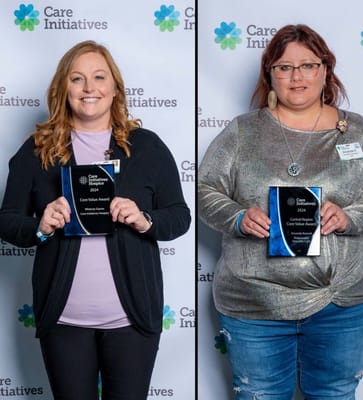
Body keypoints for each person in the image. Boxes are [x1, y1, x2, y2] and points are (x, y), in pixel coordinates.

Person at [197, 24, 363, 399]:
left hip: (341, 302)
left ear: (325, 70)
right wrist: (239, 218)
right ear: (269, 74)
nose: (297, 76)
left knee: (335, 394)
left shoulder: (356, 132)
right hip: (254, 303)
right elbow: (207, 191)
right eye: (284, 67)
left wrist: (349, 216)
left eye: (307, 65)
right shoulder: (242, 133)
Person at [0, 40, 190, 399]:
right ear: (62, 89)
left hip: (132, 319)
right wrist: (40, 226)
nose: (90, 88)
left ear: (115, 87)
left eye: (99, 77)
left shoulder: (145, 147)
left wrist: (143, 219)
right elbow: (7, 220)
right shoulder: (37, 150)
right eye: (77, 78)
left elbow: (179, 217)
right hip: (64, 320)